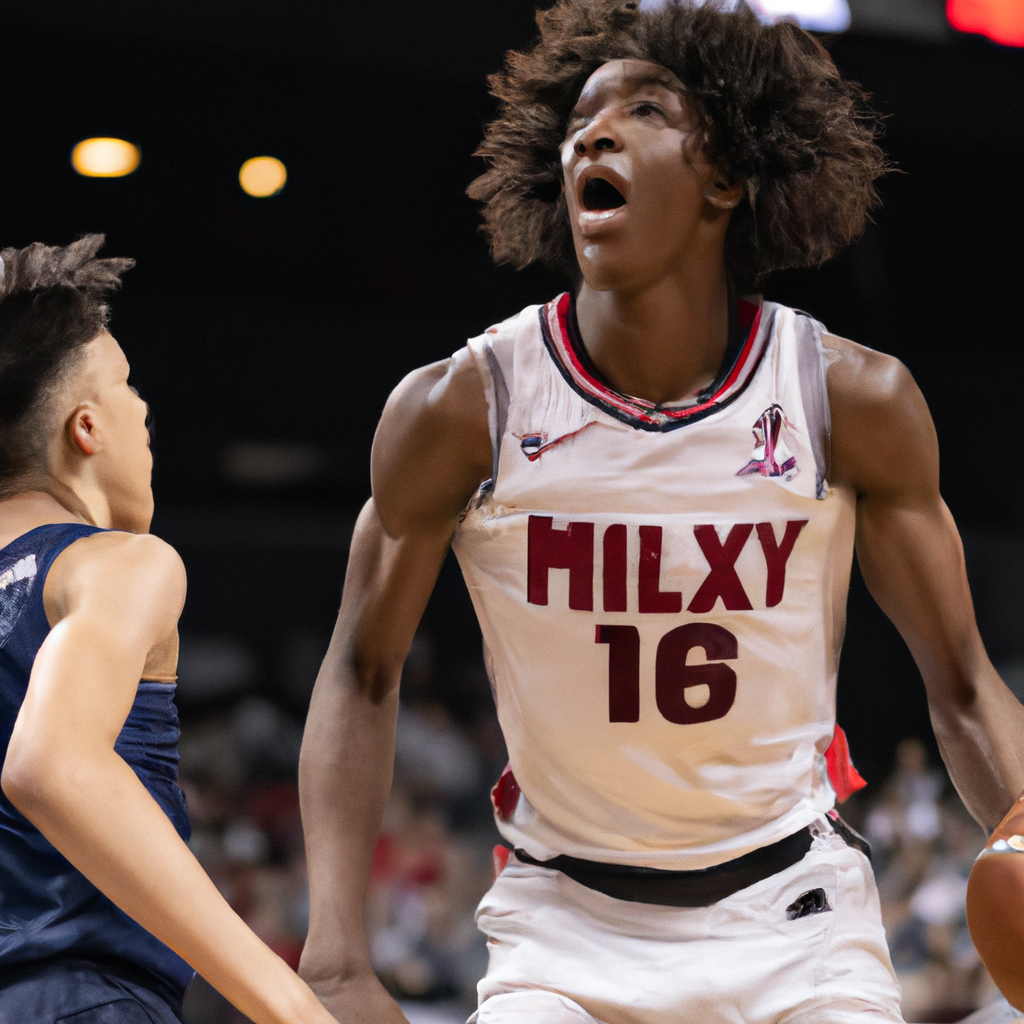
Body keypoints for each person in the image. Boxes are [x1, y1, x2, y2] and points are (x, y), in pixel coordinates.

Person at [296, 2, 1024, 1022]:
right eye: (579, 124)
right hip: (564, 927)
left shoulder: (847, 400)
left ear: (723, 179)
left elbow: (959, 683)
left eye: (642, 111)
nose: (592, 134)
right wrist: (334, 957)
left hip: (795, 917)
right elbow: (361, 672)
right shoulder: (462, 407)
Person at [0, 236, 337, 1024]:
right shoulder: (114, 565)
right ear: (87, 428)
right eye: (128, 390)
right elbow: (50, 765)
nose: (144, 413)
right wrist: (291, 1005)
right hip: (77, 998)